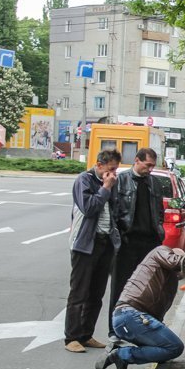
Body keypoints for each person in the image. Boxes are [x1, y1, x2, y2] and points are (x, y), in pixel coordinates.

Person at [96, 245, 185, 369]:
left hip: (129, 317)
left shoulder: (168, 279)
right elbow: (175, 261)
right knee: (174, 347)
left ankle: (119, 352)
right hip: (131, 316)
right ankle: (121, 355)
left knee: (164, 350)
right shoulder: (161, 251)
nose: (183, 270)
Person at [65, 149, 122, 353]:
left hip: (105, 242)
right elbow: (90, 208)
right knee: (79, 292)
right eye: (110, 169)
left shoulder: (111, 183)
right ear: (99, 165)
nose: (113, 174)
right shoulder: (84, 180)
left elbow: (114, 209)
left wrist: (109, 187)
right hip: (85, 243)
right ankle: (71, 337)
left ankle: (86, 334)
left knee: (96, 293)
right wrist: (106, 187)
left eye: (115, 170)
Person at [108, 148, 165, 339]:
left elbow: (159, 211)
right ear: (137, 161)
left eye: (152, 166)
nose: (150, 169)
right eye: (147, 165)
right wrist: (119, 235)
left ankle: (144, 329)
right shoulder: (121, 180)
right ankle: (114, 330)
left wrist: (159, 233)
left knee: (148, 289)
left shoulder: (154, 183)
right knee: (120, 288)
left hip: (149, 242)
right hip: (127, 242)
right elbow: (113, 211)